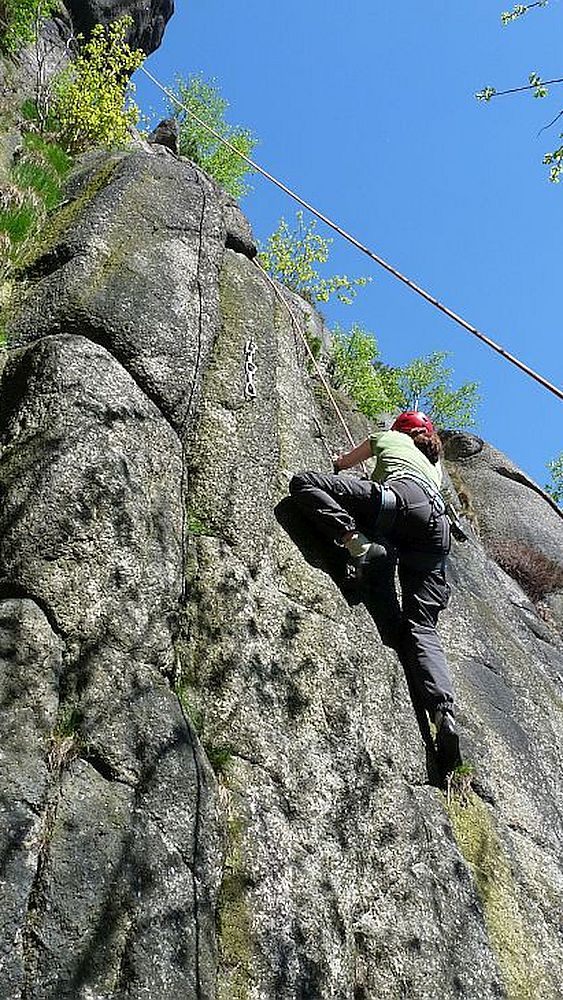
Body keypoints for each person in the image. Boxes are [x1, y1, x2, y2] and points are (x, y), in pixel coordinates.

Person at [289, 411, 460, 770]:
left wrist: (339, 462)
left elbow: (343, 463)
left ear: (401, 429)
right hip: (435, 532)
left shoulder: (390, 437)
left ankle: (359, 545)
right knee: (421, 626)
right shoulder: (435, 464)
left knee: (304, 484)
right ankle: (443, 714)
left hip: (397, 504)